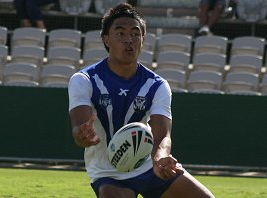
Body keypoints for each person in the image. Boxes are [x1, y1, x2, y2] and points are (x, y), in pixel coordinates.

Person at [68, 3, 215, 198]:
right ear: (106, 39)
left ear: (143, 40)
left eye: (135, 34)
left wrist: (161, 155)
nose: (129, 39)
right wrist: (82, 135)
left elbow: (163, 134)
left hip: (150, 167)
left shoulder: (157, 85)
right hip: (109, 173)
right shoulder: (84, 80)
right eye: (120, 33)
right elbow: (79, 129)